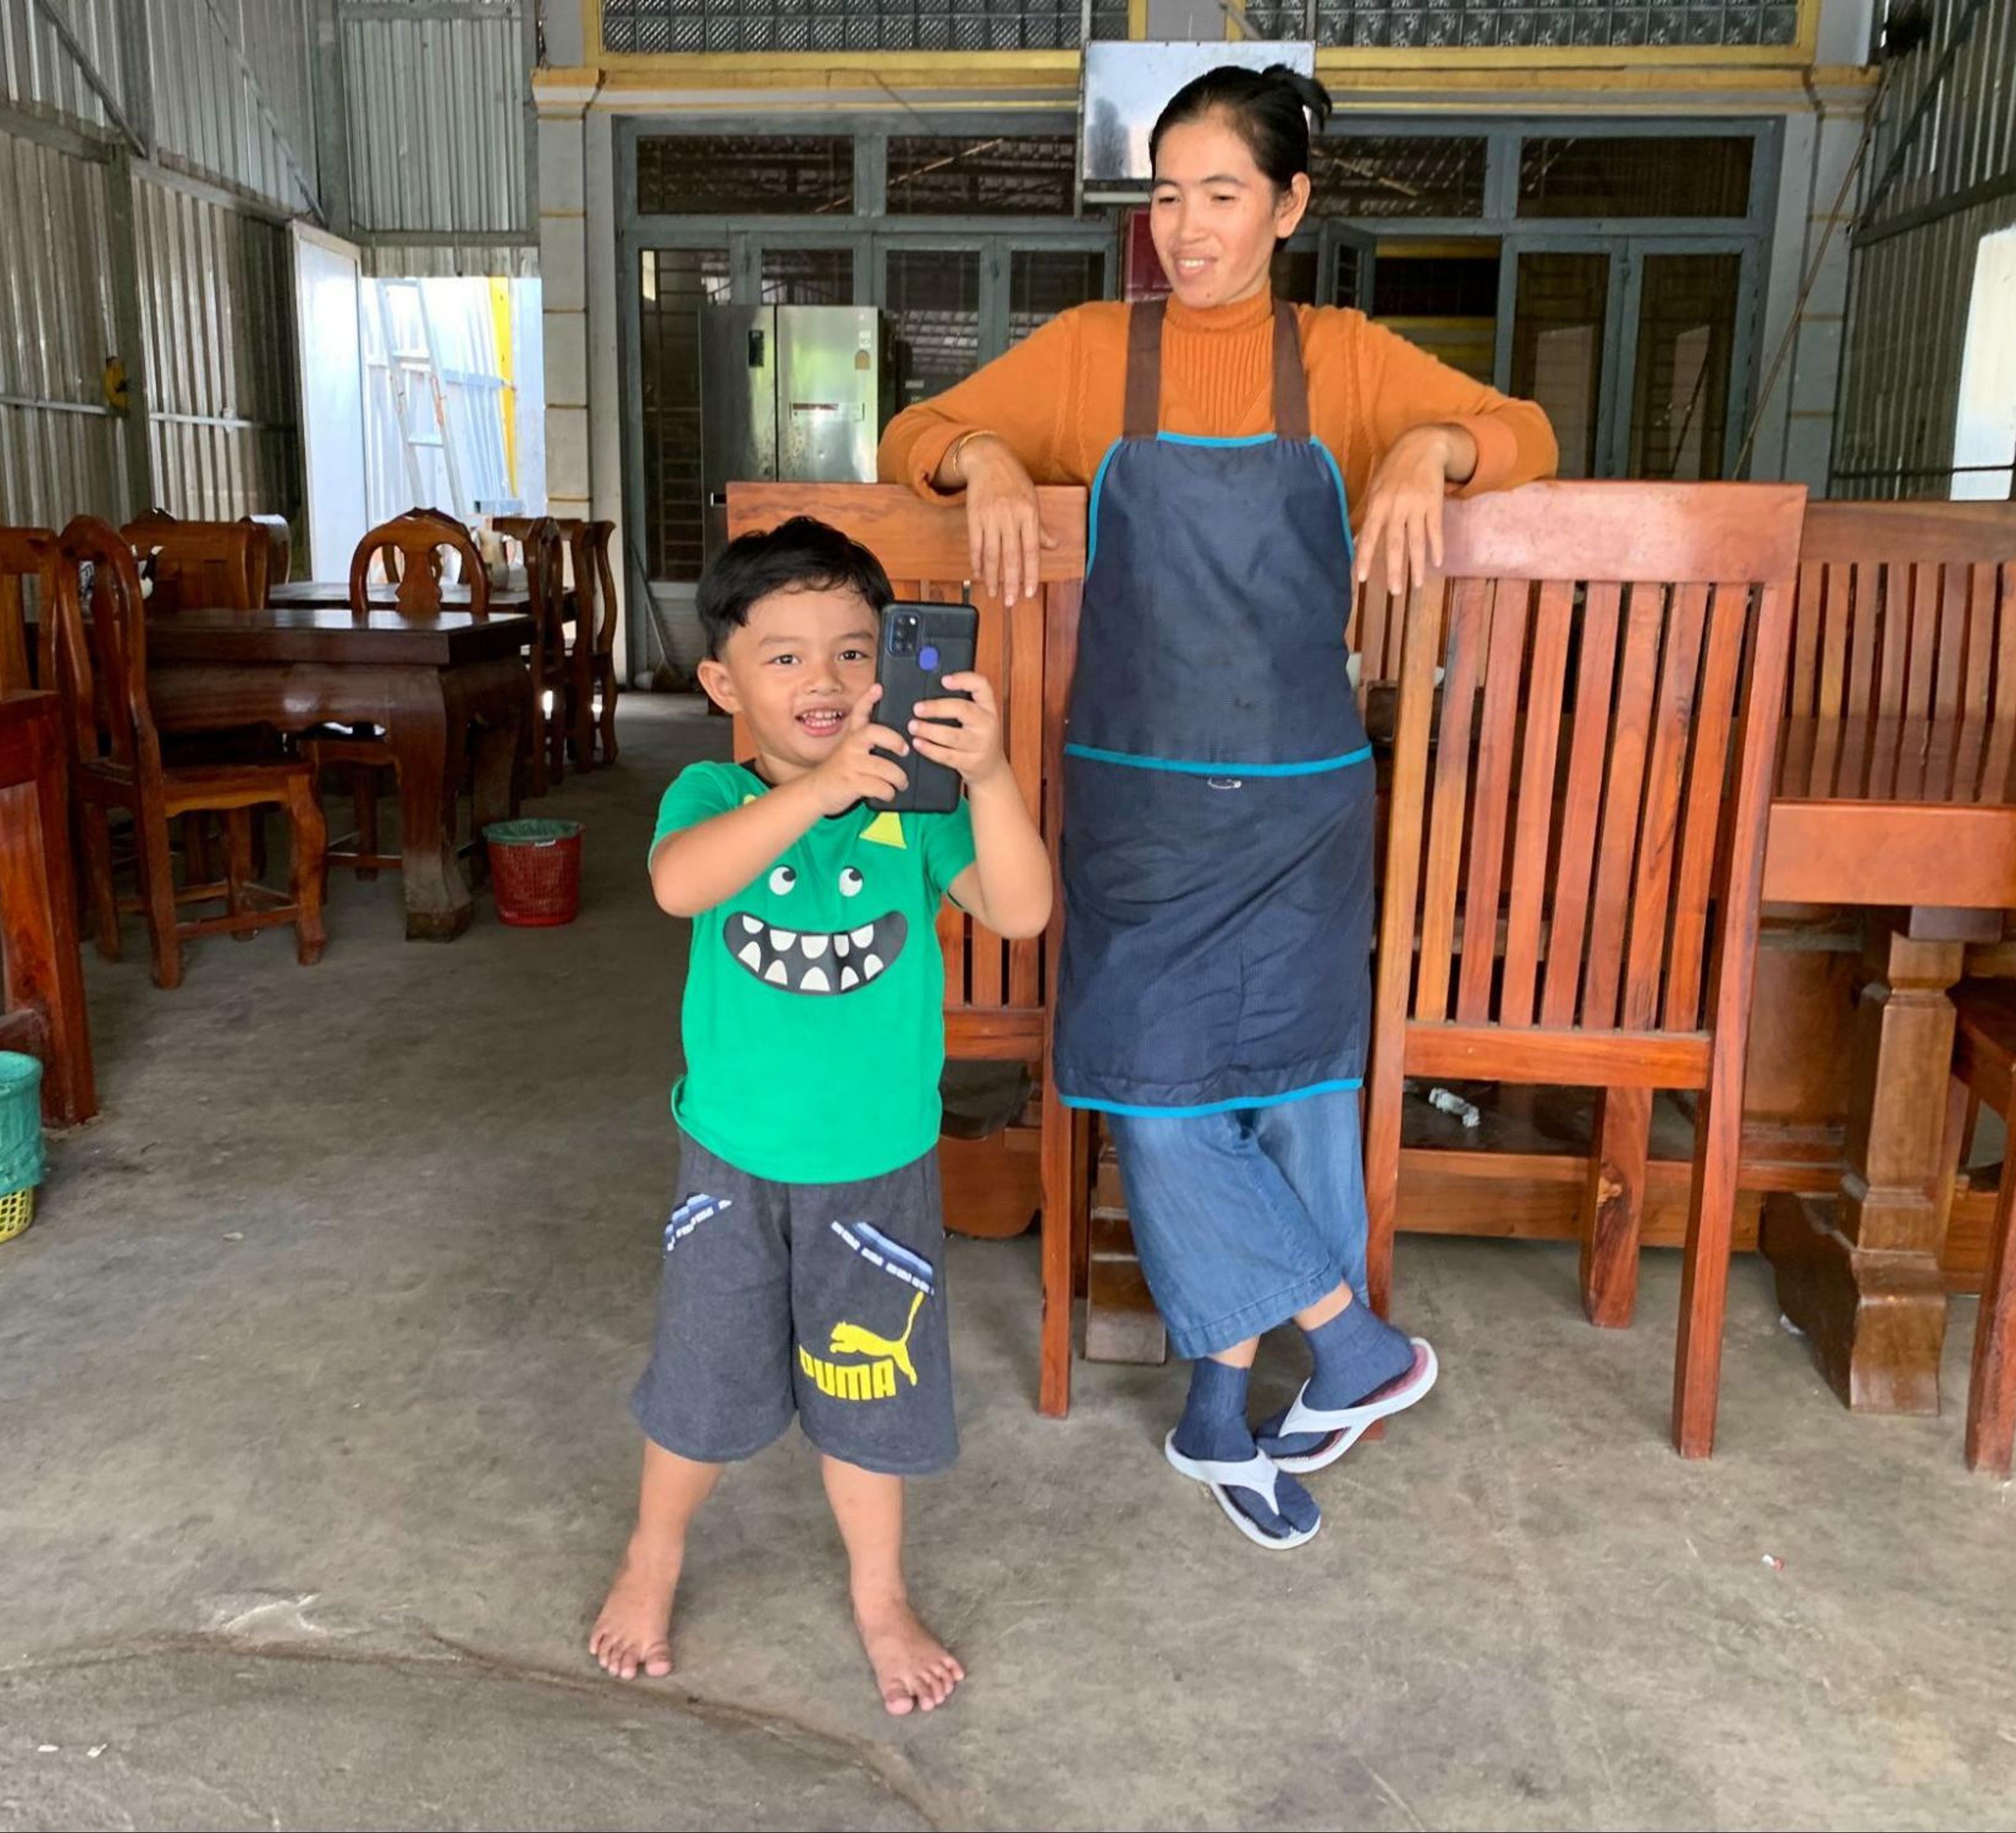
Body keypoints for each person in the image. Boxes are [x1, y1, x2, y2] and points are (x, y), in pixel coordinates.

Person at [877, 66, 1558, 1550]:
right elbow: (911, 434)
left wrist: (1432, 449)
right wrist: (979, 453)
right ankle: (1352, 1344)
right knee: (1146, 1081)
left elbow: (1523, 432)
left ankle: (1217, 1410)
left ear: (1289, 207)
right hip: (1138, 802)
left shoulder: (1344, 361)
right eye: (1167, 196)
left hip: (1303, 808)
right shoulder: (1089, 355)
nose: (1186, 229)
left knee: (1300, 1094)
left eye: (1223, 195)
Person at [591, 517, 1053, 1710]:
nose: (826, 680)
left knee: (868, 1390)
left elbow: (1020, 911)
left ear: (891, 666)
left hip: (878, 1166)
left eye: (855, 652)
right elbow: (681, 883)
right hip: (734, 1161)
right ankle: (653, 1555)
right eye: (785, 655)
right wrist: (824, 789)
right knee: (701, 1379)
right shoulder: (709, 791)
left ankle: (879, 1594)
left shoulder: (915, 807)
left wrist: (990, 775)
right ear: (723, 684)